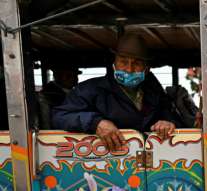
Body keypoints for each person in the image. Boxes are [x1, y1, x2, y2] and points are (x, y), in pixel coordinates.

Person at [52, 34, 181, 151]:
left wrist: (167, 123)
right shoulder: (90, 89)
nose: (129, 69)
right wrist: (95, 123)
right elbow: (60, 116)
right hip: (107, 163)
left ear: (146, 69)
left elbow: (172, 117)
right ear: (114, 64)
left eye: (136, 63)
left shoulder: (155, 92)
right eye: (123, 62)